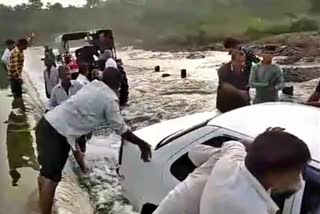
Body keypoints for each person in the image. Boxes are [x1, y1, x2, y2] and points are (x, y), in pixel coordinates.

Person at [36, 67, 152, 214]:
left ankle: (42, 206)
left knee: (45, 175)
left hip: (48, 124)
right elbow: (121, 129)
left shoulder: (94, 85)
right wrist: (142, 144)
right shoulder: (109, 99)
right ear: (118, 84)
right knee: (51, 179)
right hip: (55, 132)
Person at [200, 128, 311, 214]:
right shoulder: (252, 208)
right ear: (273, 174)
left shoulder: (230, 162)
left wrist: (265, 143)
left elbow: (232, 144)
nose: (299, 176)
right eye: (297, 171)